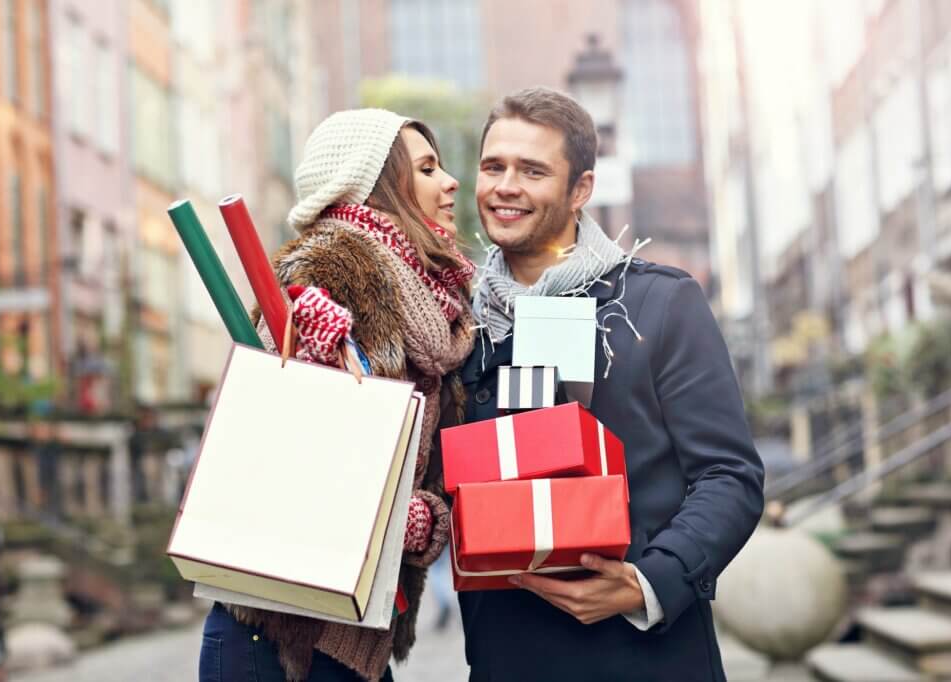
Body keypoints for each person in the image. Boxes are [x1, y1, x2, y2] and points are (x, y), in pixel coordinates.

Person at [456, 87, 765, 681]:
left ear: (581, 190)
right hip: (504, 659)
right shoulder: (455, 324)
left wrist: (649, 582)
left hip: (644, 658)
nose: (505, 186)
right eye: (493, 166)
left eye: (532, 170)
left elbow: (730, 476)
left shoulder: (659, 302)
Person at [199, 109, 476, 682]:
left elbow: (430, 473)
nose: (451, 182)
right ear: (376, 186)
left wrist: (424, 519)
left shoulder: (445, 312)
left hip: (360, 635)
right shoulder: (326, 268)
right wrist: (306, 353)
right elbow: (275, 436)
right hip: (275, 632)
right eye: (427, 168)